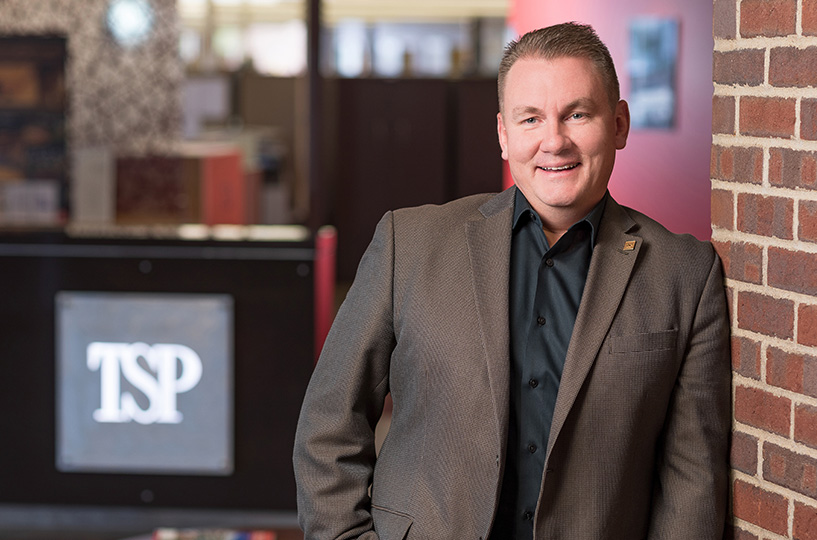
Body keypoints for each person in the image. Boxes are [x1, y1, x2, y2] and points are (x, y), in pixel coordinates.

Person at [293, 22, 730, 540]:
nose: (554, 141)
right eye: (531, 118)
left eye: (577, 114)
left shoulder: (685, 274)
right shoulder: (407, 244)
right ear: (504, 135)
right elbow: (329, 427)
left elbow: (692, 482)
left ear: (618, 124)